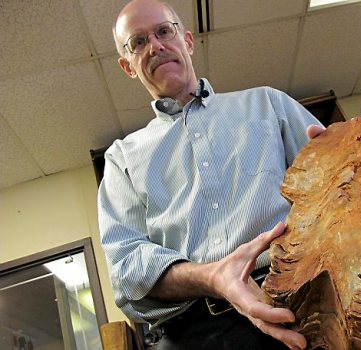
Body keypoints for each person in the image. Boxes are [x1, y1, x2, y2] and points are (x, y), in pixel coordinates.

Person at [98, 0, 327, 349]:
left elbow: (340, 182)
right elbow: (127, 268)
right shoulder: (121, 158)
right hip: (191, 331)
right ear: (127, 66)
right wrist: (211, 277)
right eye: (138, 42)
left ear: (187, 41)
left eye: (163, 31)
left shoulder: (268, 104)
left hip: (297, 296)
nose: (156, 46)